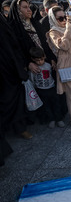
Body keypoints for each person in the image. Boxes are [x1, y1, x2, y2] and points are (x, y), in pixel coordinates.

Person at [0, 12, 32, 147]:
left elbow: (12, 44)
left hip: (11, 68)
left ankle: (19, 128)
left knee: (16, 99)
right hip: (4, 68)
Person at [29, 47, 64, 128]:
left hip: (51, 88)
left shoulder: (48, 65)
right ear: (33, 59)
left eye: (41, 59)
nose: (40, 62)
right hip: (41, 90)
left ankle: (59, 119)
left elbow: (54, 74)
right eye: (37, 60)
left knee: (56, 104)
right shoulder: (33, 69)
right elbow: (32, 79)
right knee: (46, 106)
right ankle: (51, 119)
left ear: (44, 57)